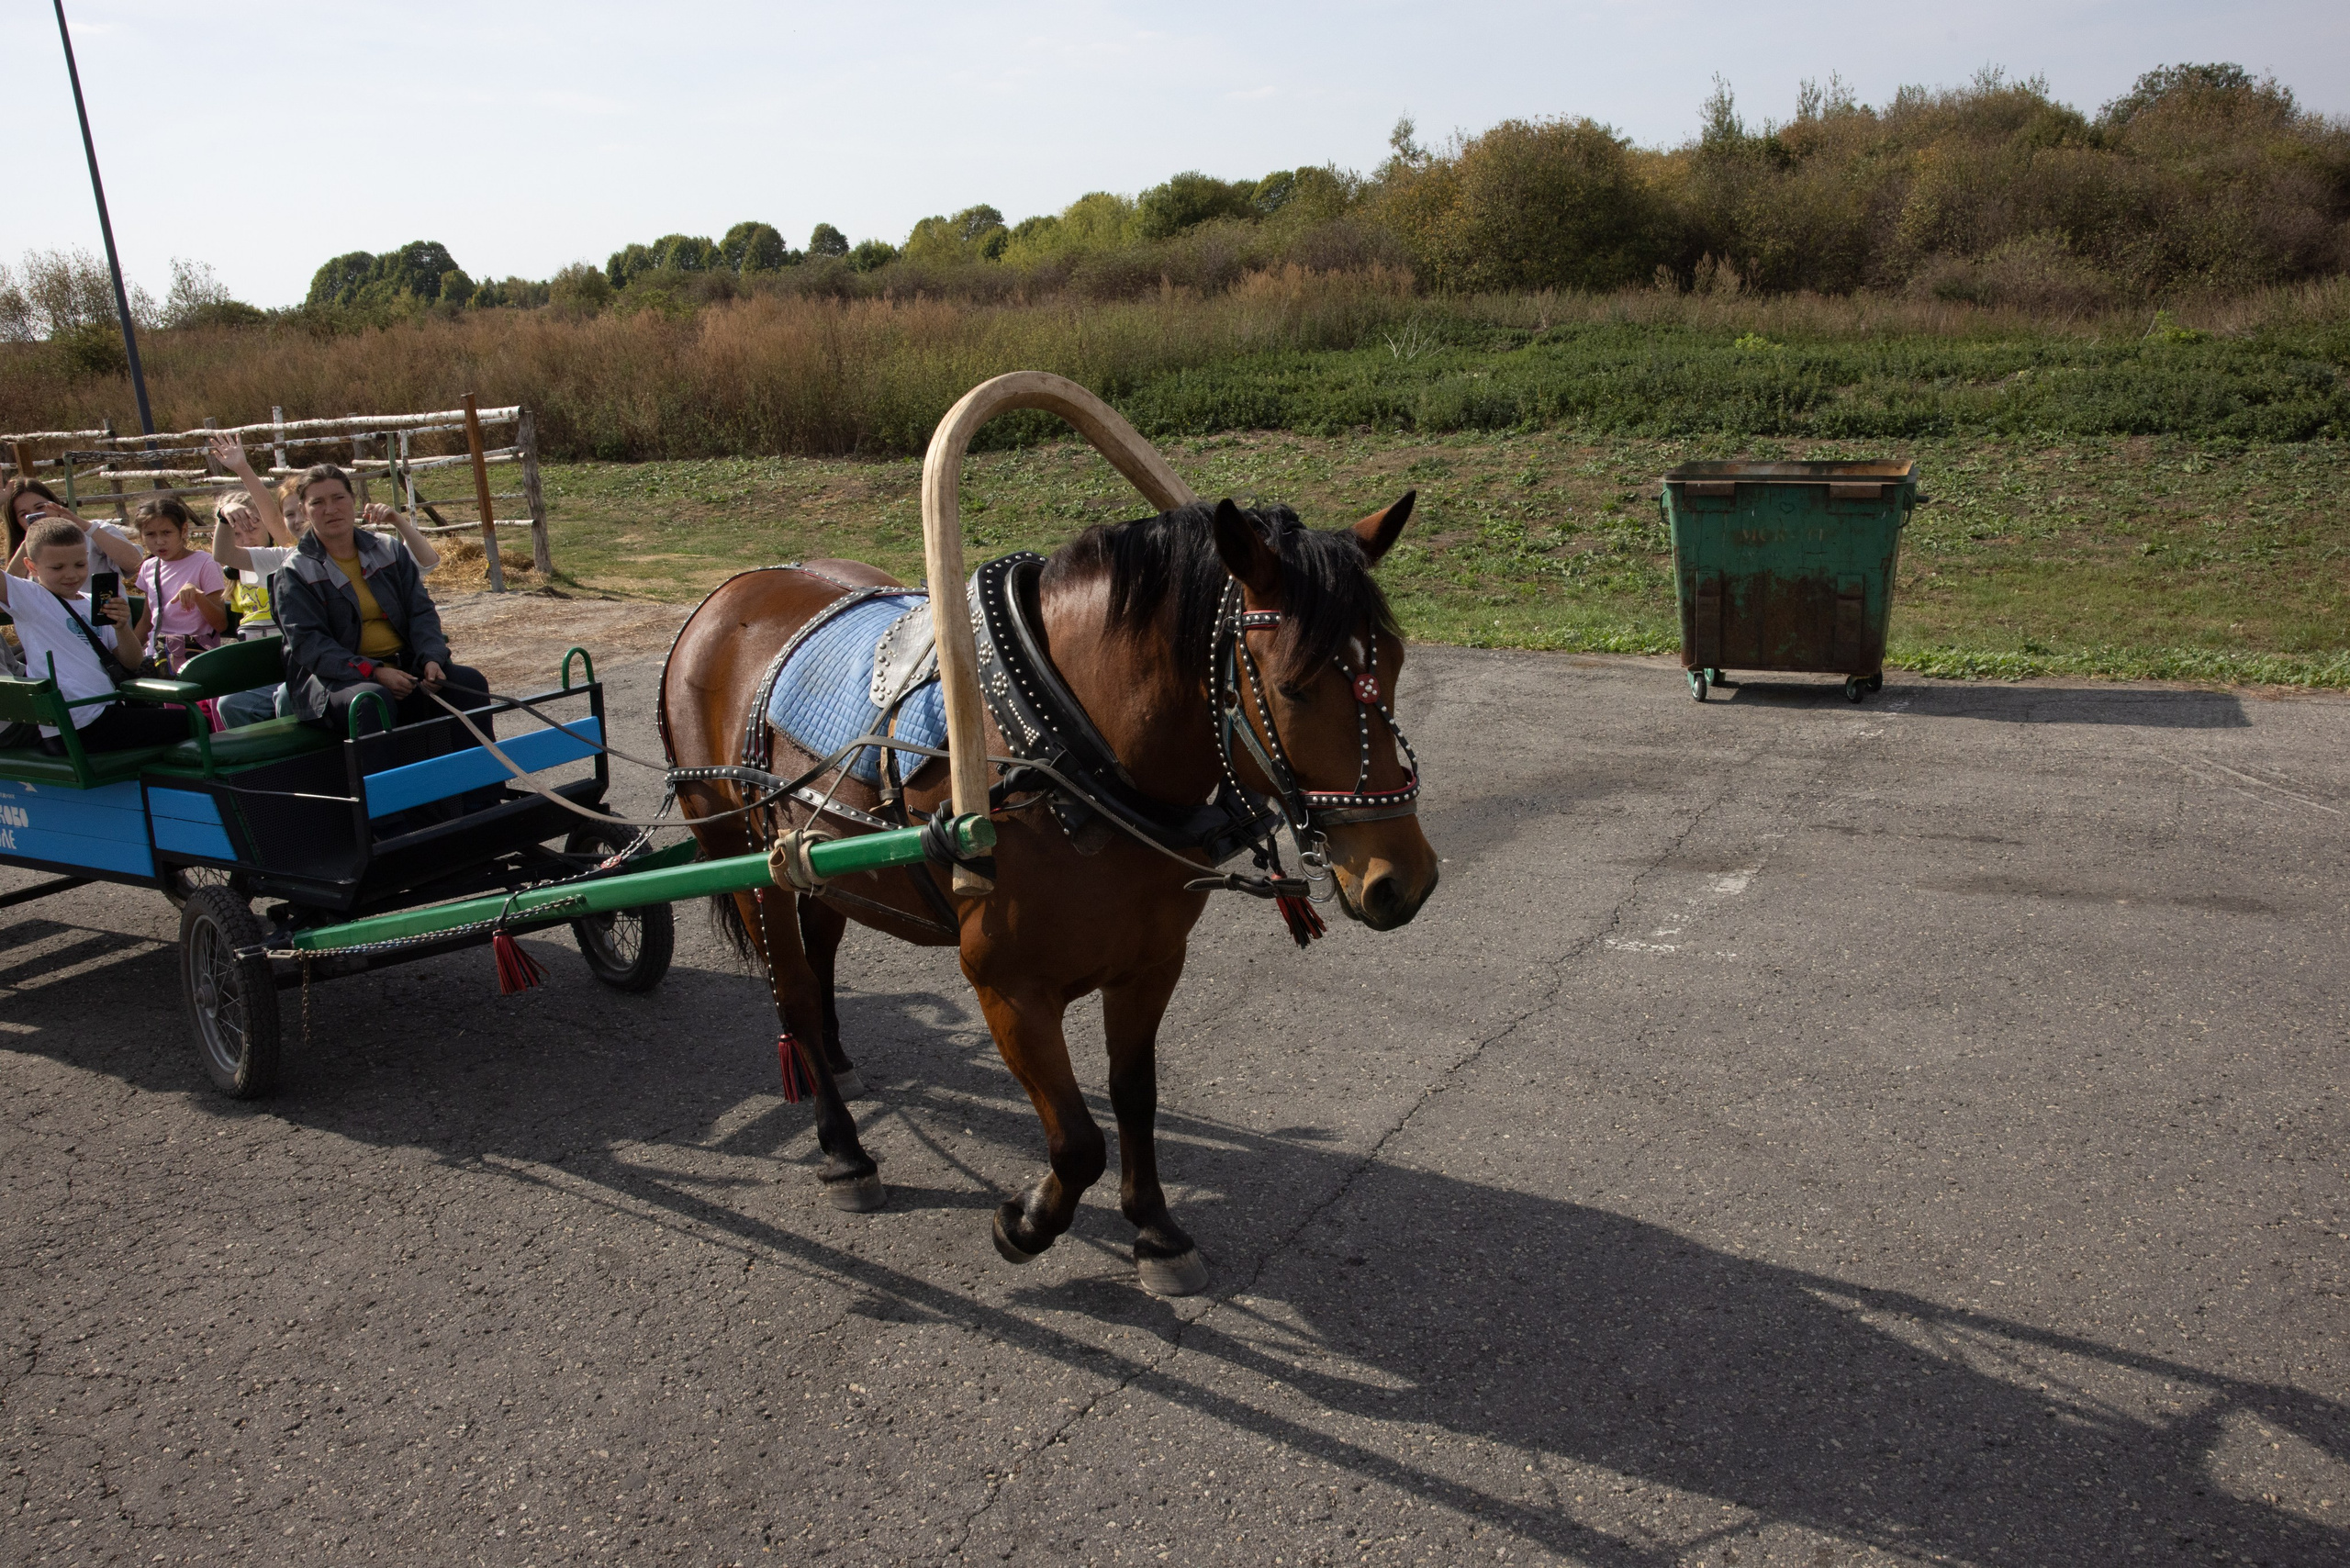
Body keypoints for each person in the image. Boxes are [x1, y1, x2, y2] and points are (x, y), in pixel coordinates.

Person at [274, 463, 487, 738]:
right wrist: (373, 672)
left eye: (338, 498)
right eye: (318, 502)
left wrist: (432, 659)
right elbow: (311, 646)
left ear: (352, 500)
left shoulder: (387, 549)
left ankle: (483, 781)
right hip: (332, 683)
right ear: (304, 510)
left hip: (405, 668)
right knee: (372, 701)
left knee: (469, 683)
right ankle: (382, 782)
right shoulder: (294, 571)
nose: (331, 509)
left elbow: (420, 611)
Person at [0, 516, 183, 753]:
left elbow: (133, 661)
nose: (71, 575)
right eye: (57, 567)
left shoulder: (92, 602)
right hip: (75, 724)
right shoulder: (30, 598)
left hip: (105, 711)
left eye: (79, 565)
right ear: (32, 567)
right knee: (193, 723)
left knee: (189, 718)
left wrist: (121, 627)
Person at [5, 477, 143, 579]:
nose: (35, 516)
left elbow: (135, 564)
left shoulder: (94, 531)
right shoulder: (25, 553)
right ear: (16, 522)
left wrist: (85, 527)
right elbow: (7, 596)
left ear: (54, 503)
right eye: (24, 514)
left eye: (40, 507)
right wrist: (28, 543)